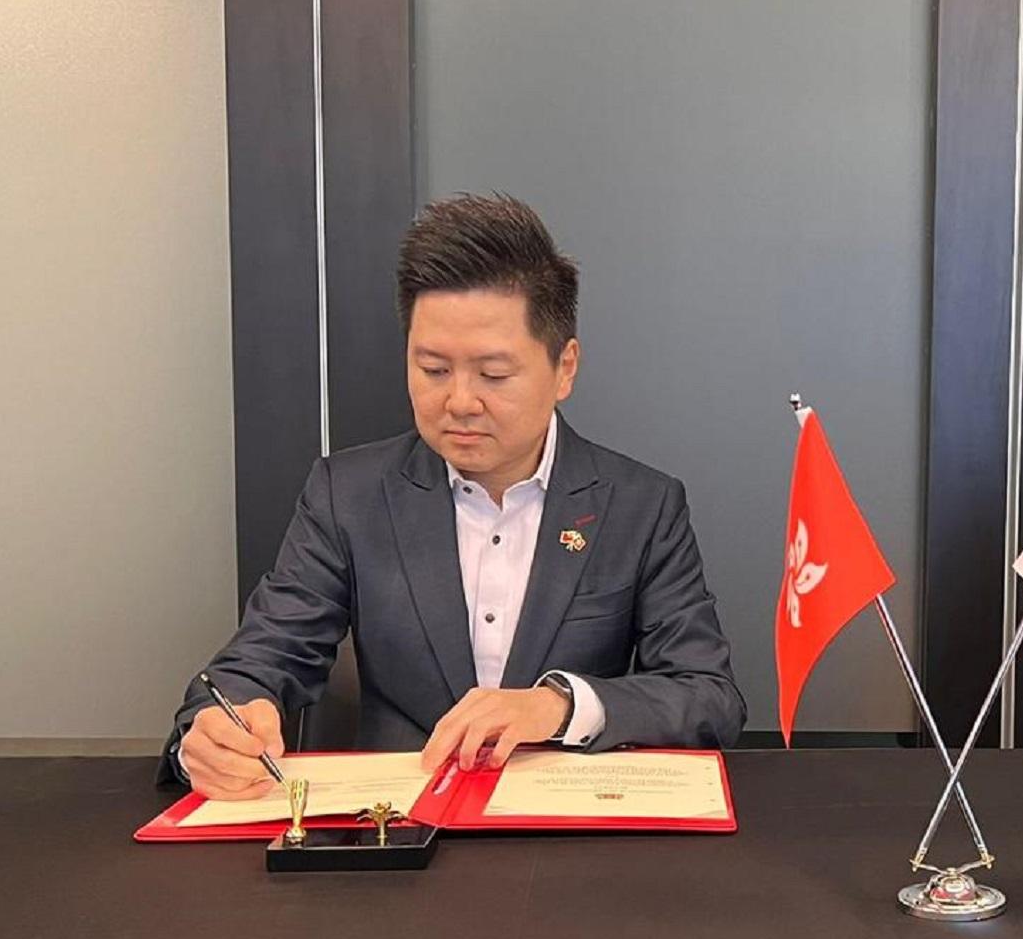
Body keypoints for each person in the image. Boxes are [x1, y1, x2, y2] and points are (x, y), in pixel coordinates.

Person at [165, 193, 746, 799]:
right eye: (434, 369)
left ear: (564, 368)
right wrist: (214, 732)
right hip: (397, 831)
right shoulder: (350, 495)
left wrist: (558, 706)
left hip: (567, 837)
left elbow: (708, 694)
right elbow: (262, 656)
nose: (460, 401)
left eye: (493, 375)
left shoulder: (640, 505)